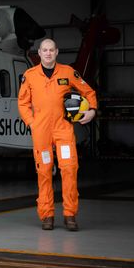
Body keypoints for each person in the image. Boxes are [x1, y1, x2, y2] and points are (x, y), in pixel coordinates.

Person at [18, 38, 97, 231]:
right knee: (44, 172)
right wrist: (32, 123)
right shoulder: (30, 75)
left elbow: (89, 91)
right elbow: (22, 103)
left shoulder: (68, 72)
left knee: (69, 170)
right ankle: (47, 216)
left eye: (51, 50)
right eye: (44, 50)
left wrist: (92, 110)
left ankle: (70, 215)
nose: (47, 53)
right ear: (40, 53)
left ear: (57, 52)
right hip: (41, 131)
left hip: (63, 129)